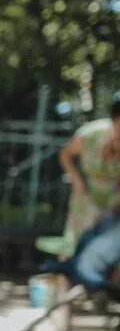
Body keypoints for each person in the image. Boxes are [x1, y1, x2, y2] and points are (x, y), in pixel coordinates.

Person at [58, 99, 120, 253]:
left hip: (115, 202)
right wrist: (76, 179)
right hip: (86, 195)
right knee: (75, 245)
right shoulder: (91, 134)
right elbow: (65, 155)